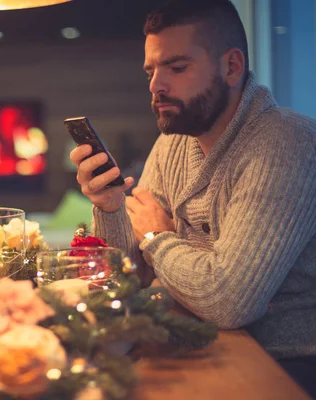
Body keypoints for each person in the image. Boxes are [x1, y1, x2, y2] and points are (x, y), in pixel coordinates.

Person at [69, 0, 316, 396]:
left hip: (282, 364)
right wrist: (111, 208)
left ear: (232, 67)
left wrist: (158, 239)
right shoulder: (174, 143)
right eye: (151, 71)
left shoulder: (286, 144)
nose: (155, 85)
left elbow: (228, 302)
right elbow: (128, 276)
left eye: (176, 68)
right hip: (195, 338)